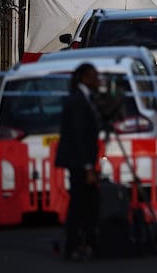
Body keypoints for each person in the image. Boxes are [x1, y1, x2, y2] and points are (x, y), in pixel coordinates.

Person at [55, 63, 101, 262]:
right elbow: (79, 136)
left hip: (82, 161)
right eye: (93, 76)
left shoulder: (87, 98)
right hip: (79, 162)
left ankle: (88, 242)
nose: (97, 80)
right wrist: (88, 167)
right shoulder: (78, 101)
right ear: (84, 78)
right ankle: (72, 245)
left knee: (89, 203)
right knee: (79, 205)